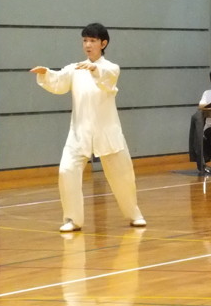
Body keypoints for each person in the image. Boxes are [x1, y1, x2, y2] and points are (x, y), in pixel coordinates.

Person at [30, 23, 146, 233]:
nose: (87, 44)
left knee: (123, 176)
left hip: (107, 131)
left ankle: (134, 214)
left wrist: (95, 69)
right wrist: (46, 73)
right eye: (85, 40)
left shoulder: (111, 67)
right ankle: (72, 219)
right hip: (79, 132)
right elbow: (58, 82)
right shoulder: (75, 69)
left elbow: (108, 79)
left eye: (92, 40)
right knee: (66, 171)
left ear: (103, 43)